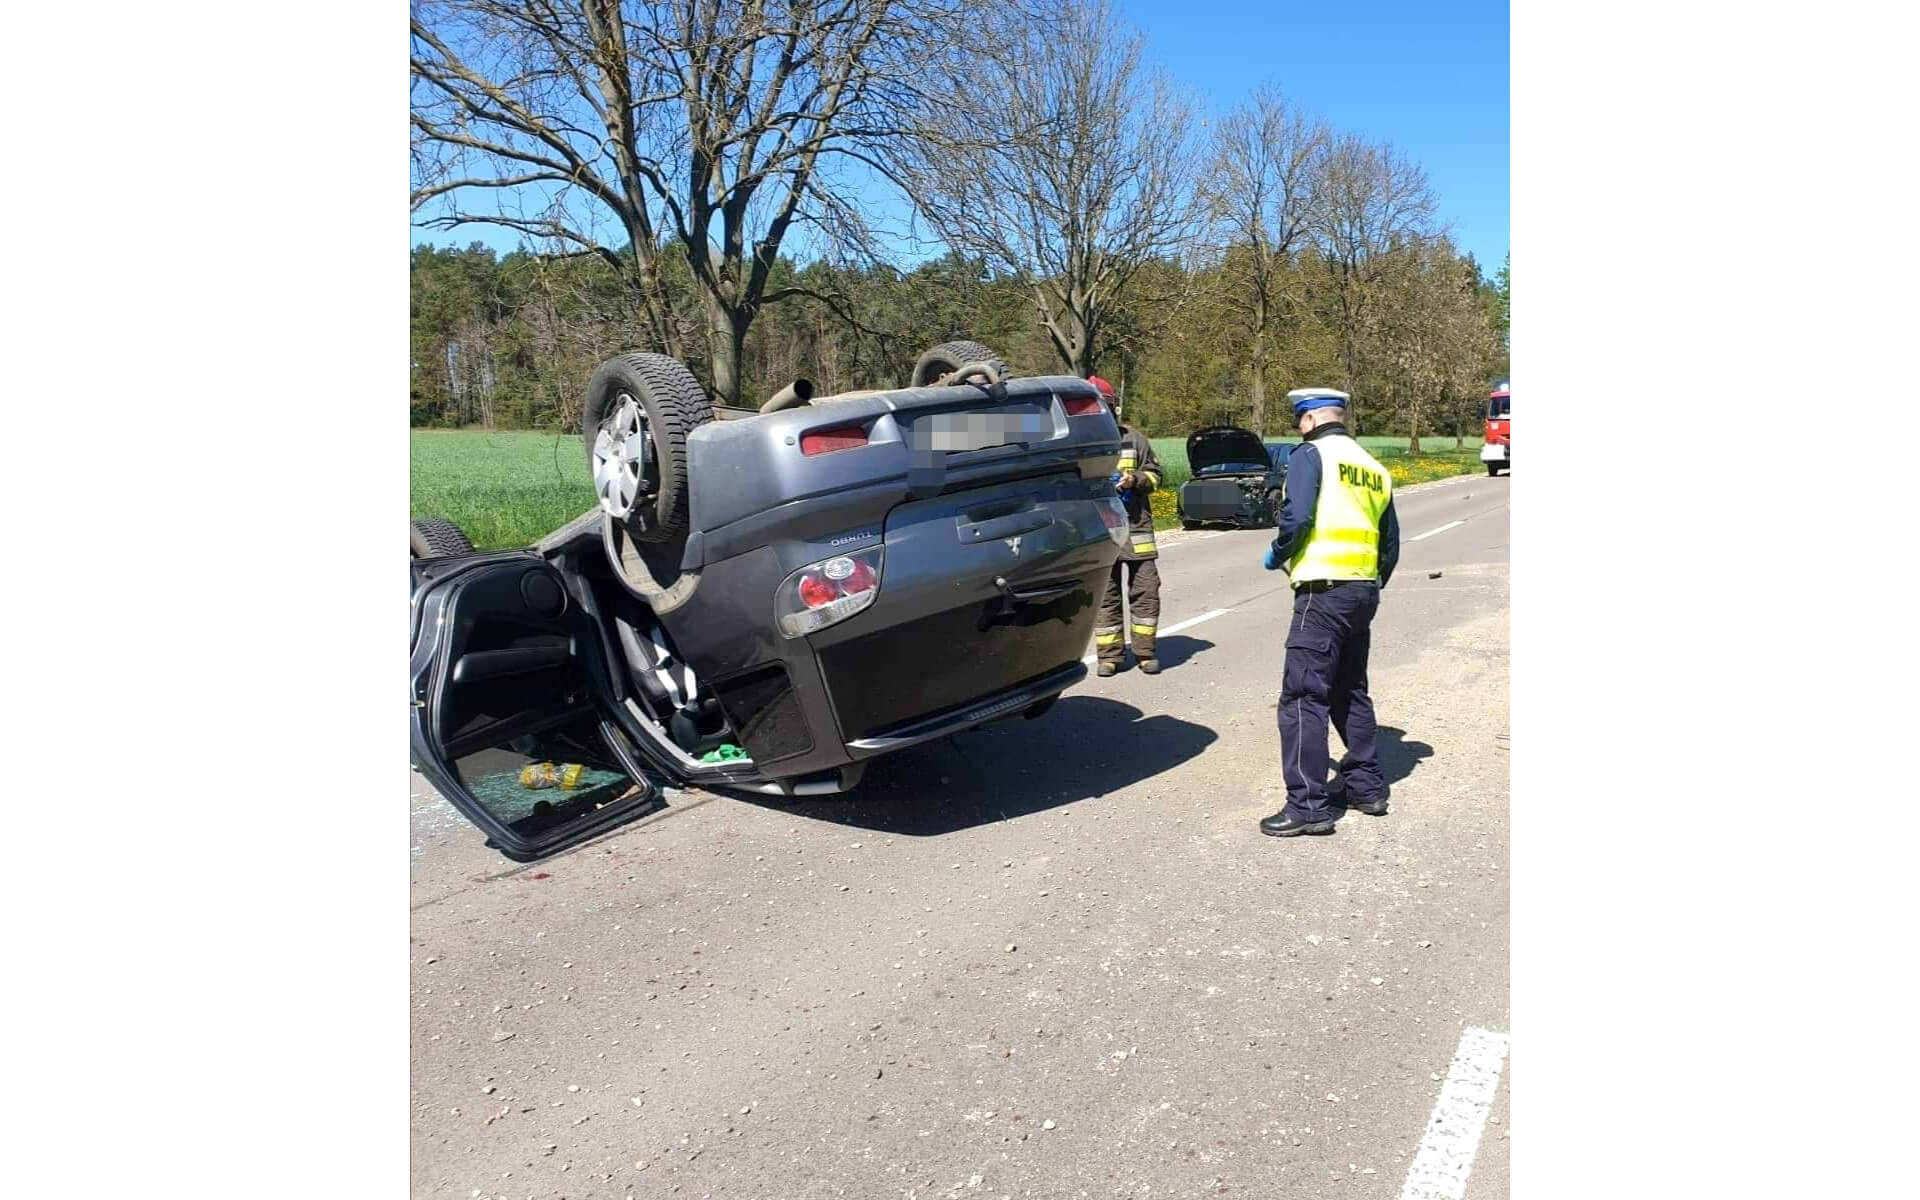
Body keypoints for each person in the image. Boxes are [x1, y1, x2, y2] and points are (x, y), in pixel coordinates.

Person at [1258, 388, 1401, 837]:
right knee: (1350, 690)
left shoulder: (1310, 455)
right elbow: (1390, 543)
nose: (1298, 426)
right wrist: (1370, 582)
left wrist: (1279, 550)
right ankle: (1366, 788)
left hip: (1321, 593)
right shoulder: (1373, 467)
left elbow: (1297, 518)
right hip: (1362, 591)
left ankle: (1307, 806)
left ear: (1312, 418)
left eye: (1299, 419)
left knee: (1304, 696)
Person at [1089, 375, 1164, 677]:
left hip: (1136, 530)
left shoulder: (1135, 440)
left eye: (1103, 407)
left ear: (1113, 408)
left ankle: (1145, 653)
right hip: (1099, 534)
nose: (1098, 414)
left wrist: (1137, 480)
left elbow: (1157, 474)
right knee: (1105, 597)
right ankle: (1110, 656)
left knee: (1146, 592)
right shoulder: (1081, 444)